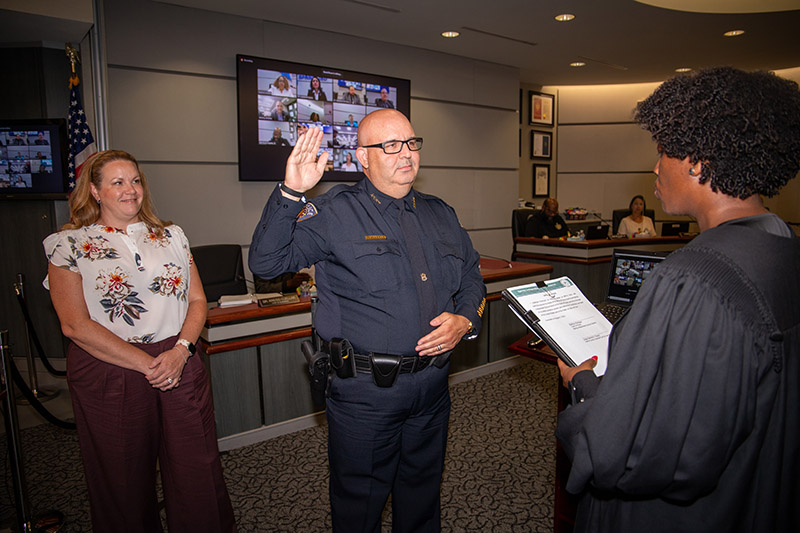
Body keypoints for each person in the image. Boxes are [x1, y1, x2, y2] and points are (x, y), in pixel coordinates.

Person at [555, 67, 800, 532]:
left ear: (698, 161)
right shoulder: (785, 249)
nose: (655, 167)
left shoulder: (692, 280)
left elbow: (628, 452)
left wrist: (583, 386)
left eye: (663, 151)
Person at [249, 109, 486, 532]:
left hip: (431, 386)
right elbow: (267, 263)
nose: (406, 154)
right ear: (362, 157)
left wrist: (465, 319)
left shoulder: (440, 213)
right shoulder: (333, 213)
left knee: (422, 498)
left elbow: (471, 275)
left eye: (412, 143)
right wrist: (290, 193)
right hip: (365, 395)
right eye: (390, 145)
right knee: (360, 506)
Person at [42, 150, 237, 532]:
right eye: (117, 182)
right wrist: (148, 364)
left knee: (198, 468)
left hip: (179, 359)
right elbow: (75, 325)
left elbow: (198, 301)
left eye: (135, 180)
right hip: (110, 369)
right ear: (95, 191)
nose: (130, 190)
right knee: (122, 478)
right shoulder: (69, 244)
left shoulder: (172, 235)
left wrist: (180, 352)